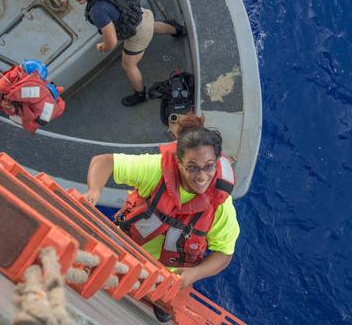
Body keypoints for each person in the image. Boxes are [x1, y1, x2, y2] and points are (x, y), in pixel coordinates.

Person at [83, 115, 239, 290]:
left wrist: (195, 274)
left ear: (217, 163)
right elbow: (104, 162)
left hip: (164, 279)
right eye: (192, 167)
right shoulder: (156, 171)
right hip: (120, 248)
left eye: (209, 166)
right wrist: (94, 191)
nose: (202, 176)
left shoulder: (220, 206)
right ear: (179, 163)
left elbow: (224, 252)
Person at [65, 0, 186, 107]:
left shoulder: (97, 11)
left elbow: (111, 41)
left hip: (138, 32)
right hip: (142, 14)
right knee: (151, 25)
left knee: (128, 65)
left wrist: (103, 47)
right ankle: (178, 30)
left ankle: (140, 94)